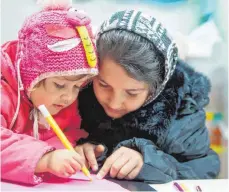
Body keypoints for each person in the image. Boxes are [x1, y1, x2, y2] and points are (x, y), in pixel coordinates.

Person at [75, 10, 220, 183]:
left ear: (156, 87)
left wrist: (148, 161)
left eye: (132, 93)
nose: (114, 102)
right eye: (103, 85)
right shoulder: (78, 91)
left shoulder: (182, 108)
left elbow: (204, 169)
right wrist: (82, 148)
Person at [1, 0, 98, 185]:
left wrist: (72, 152)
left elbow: (70, 133)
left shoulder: (63, 104)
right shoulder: (4, 93)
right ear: (31, 76)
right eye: (60, 85)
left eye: (77, 86)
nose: (69, 97)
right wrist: (44, 159)